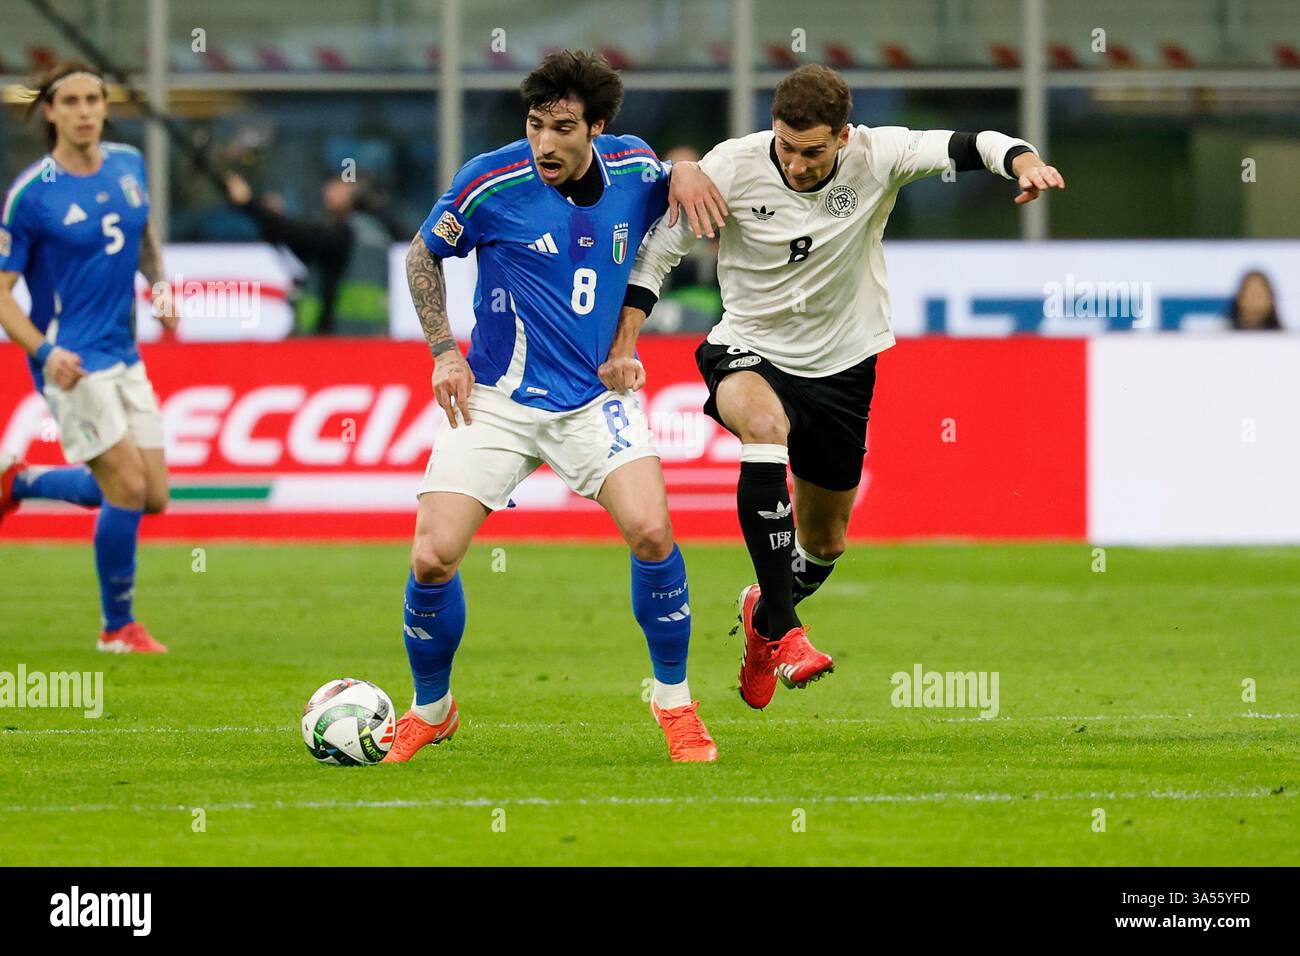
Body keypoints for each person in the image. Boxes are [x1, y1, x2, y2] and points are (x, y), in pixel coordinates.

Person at [613, 64, 1066, 709]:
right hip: (749, 345)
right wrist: (628, 339)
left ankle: (764, 617)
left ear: (844, 138)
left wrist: (1022, 161)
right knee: (763, 429)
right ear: (773, 129)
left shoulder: (879, 155)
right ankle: (788, 631)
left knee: (823, 545)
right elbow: (660, 251)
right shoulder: (732, 166)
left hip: (843, 366)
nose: (797, 165)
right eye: (788, 148)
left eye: (814, 152)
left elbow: (969, 143)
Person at [384, 50, 726, 764]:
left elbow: (675, 202)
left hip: (591, 396)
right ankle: (431, 709)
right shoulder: (491, 179)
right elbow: (423, 256)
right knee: (432, 556)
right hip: (498, 398)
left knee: (654, 532)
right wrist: (444, 349)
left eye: (563, 127)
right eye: (536, 125)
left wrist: (690, 168)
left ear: (596, 126)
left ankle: (676, 705)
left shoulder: (634, 168)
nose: (545, 143)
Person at [0, 61, 178, 653]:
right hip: (71, 362)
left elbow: (142, 231)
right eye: (70, 101)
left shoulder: (129, 164)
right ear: (49, 111)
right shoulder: (32, 196)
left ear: (104, 106)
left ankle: (22, 481)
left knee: (152, 495)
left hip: (124, 353)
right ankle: (116, 628)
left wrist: (159, 284)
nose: (84, 111)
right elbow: (1, 296)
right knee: (125, 486)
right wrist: (45, 351)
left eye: (93, 99)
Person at [224, 172, 393, 334]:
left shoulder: (341, 234)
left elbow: (296, 235)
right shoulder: (375, 234)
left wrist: (249, 204)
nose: (328, 188)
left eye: (340, 184)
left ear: (356, 192)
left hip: (332, 342)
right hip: (369, 342)